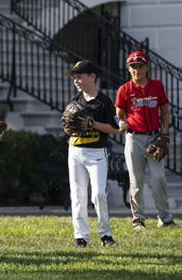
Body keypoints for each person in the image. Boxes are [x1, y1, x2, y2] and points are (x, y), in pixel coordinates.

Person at [115, 50, 177, 229]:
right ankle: (138, 219)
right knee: (136, 180)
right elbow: (118, 113)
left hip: (154, 137)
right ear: (128, 69)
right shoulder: (124, 90)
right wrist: (120, 122)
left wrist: (164, 135)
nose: (137, 70)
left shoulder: (157, 86)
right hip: (134, 138)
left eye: (140, 66)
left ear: (147, 67)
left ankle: (164, 218)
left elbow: (165, 111)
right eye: (133, 66)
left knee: (159, 178)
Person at [64, 60, 121, 248]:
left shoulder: (104, 101)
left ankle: (105, 234)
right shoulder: (74, 102)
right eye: (74, 78)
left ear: (92, 77)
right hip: (75, 152)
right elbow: (67, 127)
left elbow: (115, 128)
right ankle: (81, 237)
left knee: (98, 194)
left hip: (96, 153)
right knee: (78, 196)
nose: (76, 81)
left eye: (79, 77)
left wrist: (93, 124)